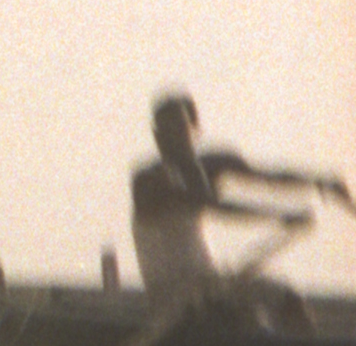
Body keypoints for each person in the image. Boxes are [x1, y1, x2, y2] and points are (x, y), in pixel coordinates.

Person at [131, 91, 331, 302]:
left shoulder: (209, 166)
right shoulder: (149, 178)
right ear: (156, 135)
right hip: (171, 294)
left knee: (290, 301)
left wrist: (320, 182)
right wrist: (279, 216)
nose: (171, 140)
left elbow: (267, 177)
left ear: (194, 130)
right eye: (164, 132)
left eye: (179, 129)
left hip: (210, 283)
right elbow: (217, 207)